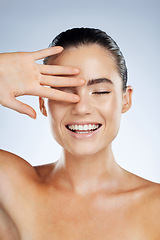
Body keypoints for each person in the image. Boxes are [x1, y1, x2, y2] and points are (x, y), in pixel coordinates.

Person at [0, 27, 160, 239]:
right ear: (43, 102)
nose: (82, 107)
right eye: (62, 91)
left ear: (125, 99)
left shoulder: (155, 208)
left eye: (100, 91)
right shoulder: (11, 186)